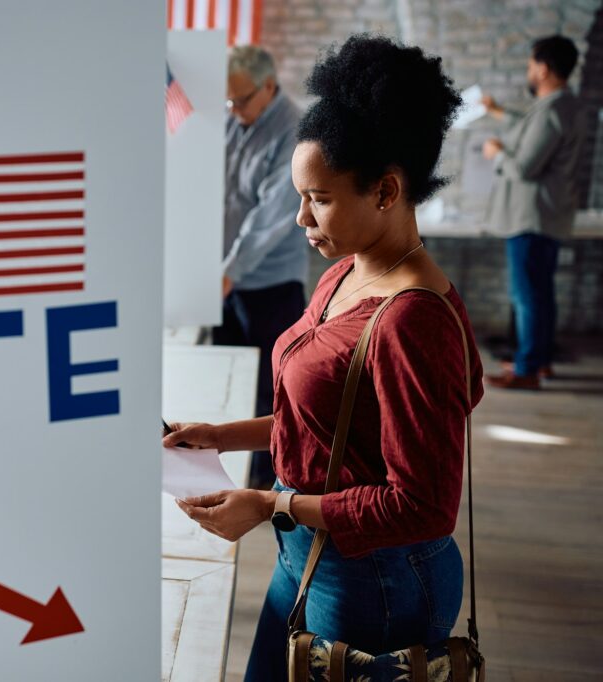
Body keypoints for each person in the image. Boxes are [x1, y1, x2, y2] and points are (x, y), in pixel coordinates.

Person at [163, 36, 484, 681]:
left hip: (376, 581)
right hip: (310, 552)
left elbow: (422, 506)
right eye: (299, 196)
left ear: (387, 191)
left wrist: (270, 505)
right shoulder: (343, 275)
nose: (301, 217)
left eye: (321, 199)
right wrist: (223, 436)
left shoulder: (413, 319)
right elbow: (332, 425)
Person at [217, 46, 308, 488]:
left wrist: (228, 270)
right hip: (226, 279)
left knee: (274, 388)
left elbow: (270, 215)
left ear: (269, 86)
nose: (234, 109)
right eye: (228, 101)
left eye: (241, 100)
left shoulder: (293, 132)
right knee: (228, 379)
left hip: (271, 281)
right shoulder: (233, 121)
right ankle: (233, 471)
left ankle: (274, 480)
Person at [481, 35, 585, 390]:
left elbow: (524, 166)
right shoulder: (560, 105)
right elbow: (530, 129)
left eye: (530, 65)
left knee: (527, 296)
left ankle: (525, 370)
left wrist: (496, 154)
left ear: (542, 68)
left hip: (531, 218)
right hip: (547, 217)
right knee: (540, 293)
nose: (528, 71)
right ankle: (538, 360)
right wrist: (497, 112)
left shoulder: (553, 110)